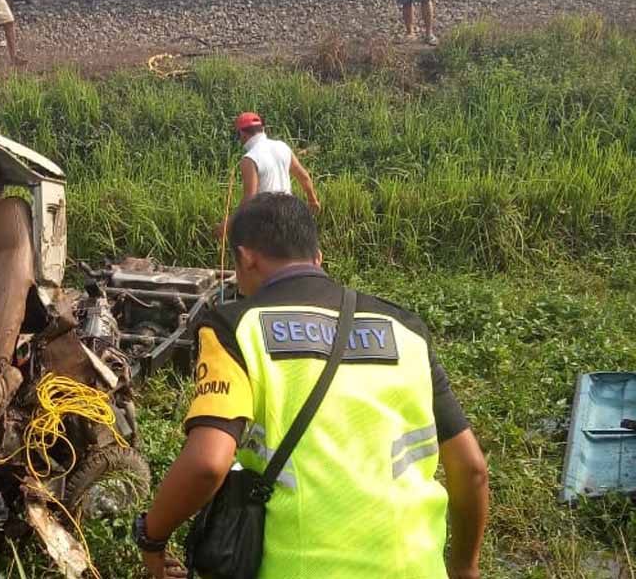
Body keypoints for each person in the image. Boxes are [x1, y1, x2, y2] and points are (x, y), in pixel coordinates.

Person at [136, 192, 490, 579]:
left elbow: (207, 463)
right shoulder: (404, 328)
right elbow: (471, 468)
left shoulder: (236, 327)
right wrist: (463, 566)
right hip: (415, 568)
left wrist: (152, 538)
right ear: (317, 257)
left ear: (247, 257)